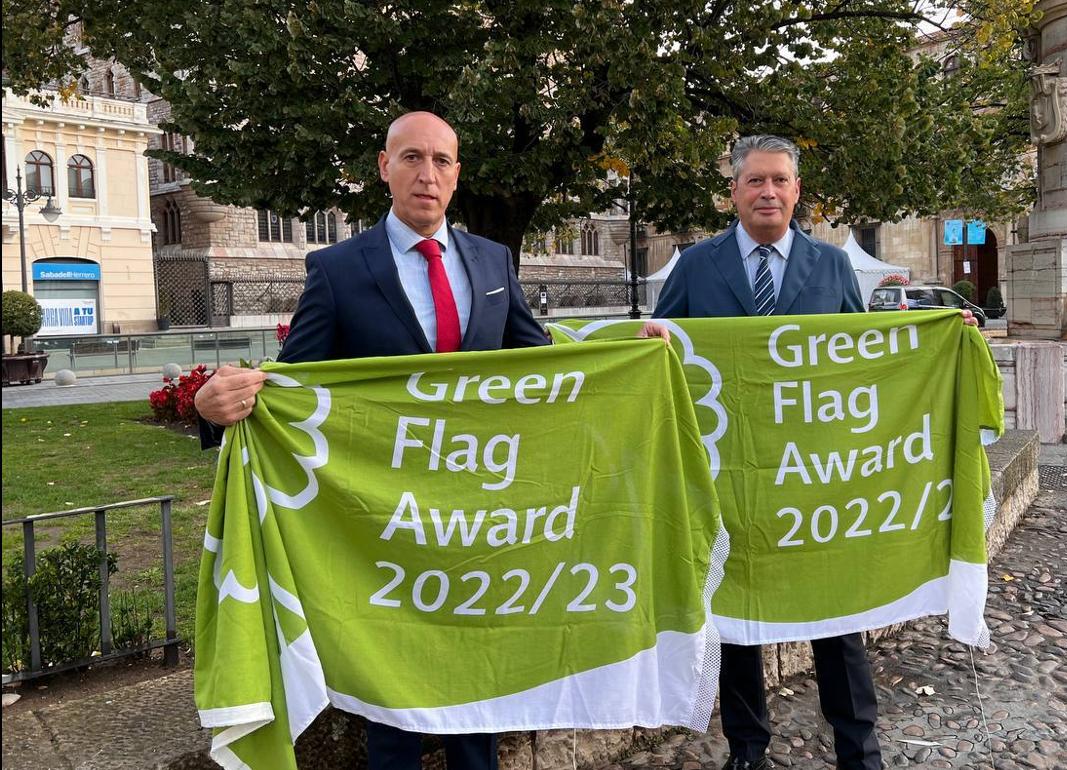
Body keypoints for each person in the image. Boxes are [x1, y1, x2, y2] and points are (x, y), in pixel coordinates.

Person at [194, 111, 663, 770]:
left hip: (480, 524)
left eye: (442, 161)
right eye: (412, 158)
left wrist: (623, 354)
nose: (428, 174)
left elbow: (538, 363)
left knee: (480, 692)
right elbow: (294, 390)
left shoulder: (491, 259)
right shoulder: (337, 268)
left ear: (457, 174)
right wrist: (213, 407)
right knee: (394, 708)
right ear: (384, 168)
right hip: (387, 527)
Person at [653, 134, 977, 770]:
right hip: (733, 478)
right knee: (739, 619)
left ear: (797, 191)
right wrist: (655, 336)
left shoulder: (831, 268)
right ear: (734, 192)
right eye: (755, 181)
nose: (768, 192)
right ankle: (747, 749)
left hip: (816, 477)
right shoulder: (695, 267)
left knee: (837, 615)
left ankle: (859, 748)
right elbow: (664, 360)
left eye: (779, 180)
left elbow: (864, 361)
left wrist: (937, 341)